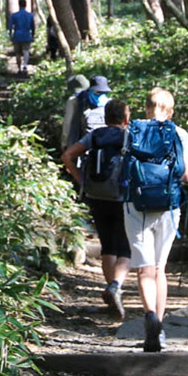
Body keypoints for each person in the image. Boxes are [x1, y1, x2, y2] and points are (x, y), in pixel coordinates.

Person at [124, 87, 188, 352]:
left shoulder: (132, 130)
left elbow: (125, 167)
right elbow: (187, 175)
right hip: (168, 204)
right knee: (160, 269)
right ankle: (159, 327)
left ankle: (149, 314)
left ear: (146, 107)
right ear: (171, 111)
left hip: (136, 205)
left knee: (144, 269)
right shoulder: (180, 133)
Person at [61, 98, 132, 318]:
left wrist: (82, 180)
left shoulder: (95, 136)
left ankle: (112, 291)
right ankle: (116, 287)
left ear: (106, 117)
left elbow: (67, 156)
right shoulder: (129, 137)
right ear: (126, 118)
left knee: (108, 246)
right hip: (121, 196)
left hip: (96, 196)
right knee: (126, 248)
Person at [65, 76, 112, 146]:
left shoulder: (111, 104)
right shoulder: (80, 103)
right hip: (85, 147)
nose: (100, 95)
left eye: (104, 93)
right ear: (90, 90)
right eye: (98, 92)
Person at [8, 0, 37, 73]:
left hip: (17, 35)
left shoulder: (14, 15)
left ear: (19, 5)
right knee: (26, 51)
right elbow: (33, 27)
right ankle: (25, 65)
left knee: (18, 53)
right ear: (25, 5)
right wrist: (33, 35)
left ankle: (19, 68)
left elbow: (10, 26)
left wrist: (11, 35)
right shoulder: (30, 15)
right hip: (27, 35)